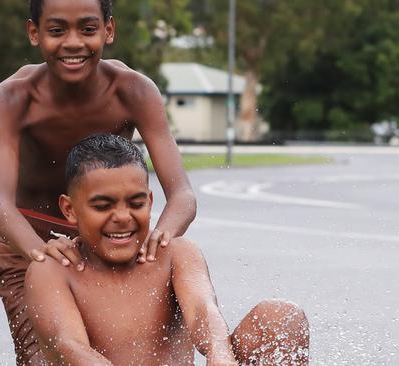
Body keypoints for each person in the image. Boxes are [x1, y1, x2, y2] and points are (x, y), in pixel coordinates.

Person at [0, 0, 196, 364]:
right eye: (56, 30)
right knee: (51, 357)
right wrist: (39, 252)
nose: (73, 43)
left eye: (87, 29)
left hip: (111, 241)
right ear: (34, 33)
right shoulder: (11, 98)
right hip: (32, 246)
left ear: (108, 30)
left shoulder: (133, 91)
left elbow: (182, 196)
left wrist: (159, 239)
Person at [24, 134, 310, 365]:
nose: (123, 216)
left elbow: (202, 309)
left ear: (149, 201)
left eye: (136, 204)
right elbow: (69, 345)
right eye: (103, 206)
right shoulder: (52, 269)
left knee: (280, 316)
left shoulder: (174, 253)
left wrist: (219, 352)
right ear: (70, 210)